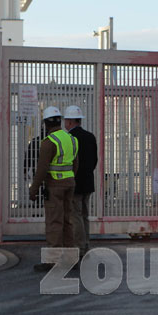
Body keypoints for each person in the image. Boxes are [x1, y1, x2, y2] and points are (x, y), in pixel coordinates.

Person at [29, 106, 79, 272]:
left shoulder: (48, 142)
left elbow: (42, 169)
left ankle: (52, 260)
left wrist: (33, 189)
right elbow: (75, 164)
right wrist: (70, 179)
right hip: (70, 184)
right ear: (60, 121)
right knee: (67, 221)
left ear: (45, 123)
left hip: (54, 186)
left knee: (54, 223)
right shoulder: (72, 139)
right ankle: (71, 259)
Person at [63, 105, 98, 259]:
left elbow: (69, 162)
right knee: (84, 215)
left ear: (70, 122)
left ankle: (79, 247)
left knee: (75, 216)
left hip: (74, 183)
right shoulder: (90, 137)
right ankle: (86, 244)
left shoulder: (69, 139)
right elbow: (94, 160)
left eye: (66, 120)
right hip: (88, 182)